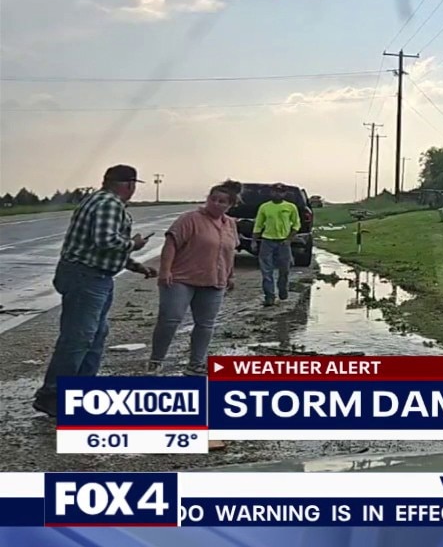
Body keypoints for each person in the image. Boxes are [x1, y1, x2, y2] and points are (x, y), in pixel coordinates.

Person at [33, 164, 157, 418]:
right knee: (78, 339)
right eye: (132, 185)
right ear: (128, 184)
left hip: (93, 276)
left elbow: (99, 247)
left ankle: (81, 393)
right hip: (86, 277)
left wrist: (135, 266)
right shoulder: (108, 203)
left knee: (95, 336)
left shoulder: (99, 201)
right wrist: (134, 244)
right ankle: (53, 395)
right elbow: (106, 241)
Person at [147, 180, 242, 376]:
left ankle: (196, 364)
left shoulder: (230, 224)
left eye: (222, 201)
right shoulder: (189, 219)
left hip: (214, 281)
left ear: (230, 205)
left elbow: (229, 251)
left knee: (206, 324)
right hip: (181, 279)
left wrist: (230, 275)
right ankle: (156, 360)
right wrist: (165, 270)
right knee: (170, 320)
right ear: (207, 199)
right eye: (213, 199)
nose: (216, 203)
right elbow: (171, 243)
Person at [254, 182, 300, 306]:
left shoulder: (290, 207)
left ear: (284, 193)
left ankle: (283, 289)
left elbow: (296, 224)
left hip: (283, 242)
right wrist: (254, 240)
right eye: (275, 191)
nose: (277, 193)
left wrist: (289, 239)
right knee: (266, 270)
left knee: (284, 270)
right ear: (271, 192)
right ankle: (269, 296)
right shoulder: (264, 207)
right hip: (267, 241)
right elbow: (258, 224)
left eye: (280, 191)